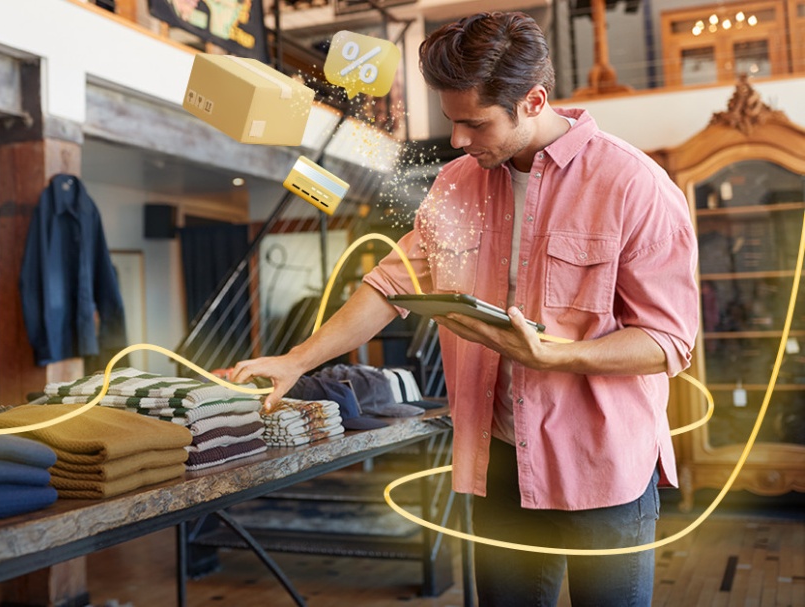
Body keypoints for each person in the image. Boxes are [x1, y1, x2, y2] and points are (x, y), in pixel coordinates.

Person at [230, 11, 699, 607]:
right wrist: (297, 360)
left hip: (603, 470)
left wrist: (556, 356)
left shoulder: (635, 186)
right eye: (452, 122)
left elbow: (668, 343)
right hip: (500, 461)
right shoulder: (455, 182)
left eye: (474, 124)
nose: (456, 141)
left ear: (533, 101)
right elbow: (388, 285)